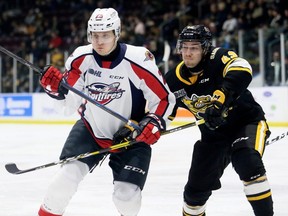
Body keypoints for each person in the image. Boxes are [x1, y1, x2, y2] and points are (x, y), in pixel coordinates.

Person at [38, 8, 175, 216]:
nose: (99, 41)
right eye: (94, 35)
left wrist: (154, 122)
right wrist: (55, 89)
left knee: (126, 198)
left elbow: (164, 98)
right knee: (63, 182)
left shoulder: (138, 60)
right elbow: (67, 104)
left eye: (105, 35)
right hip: (91, 129)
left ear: (116, 34)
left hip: (131, 136)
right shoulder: (80, 58)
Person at [164, 25, 274, 216]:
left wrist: (221, 98)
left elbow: (243, 68)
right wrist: (145, 126)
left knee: (247, 162)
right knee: (194, 193)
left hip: (247, 123)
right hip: (213, 137)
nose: (188, 53)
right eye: (185, 47)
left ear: (205, 49)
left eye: (194, 48)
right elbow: (163, 113)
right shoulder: (172, 80)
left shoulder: (218, 58)